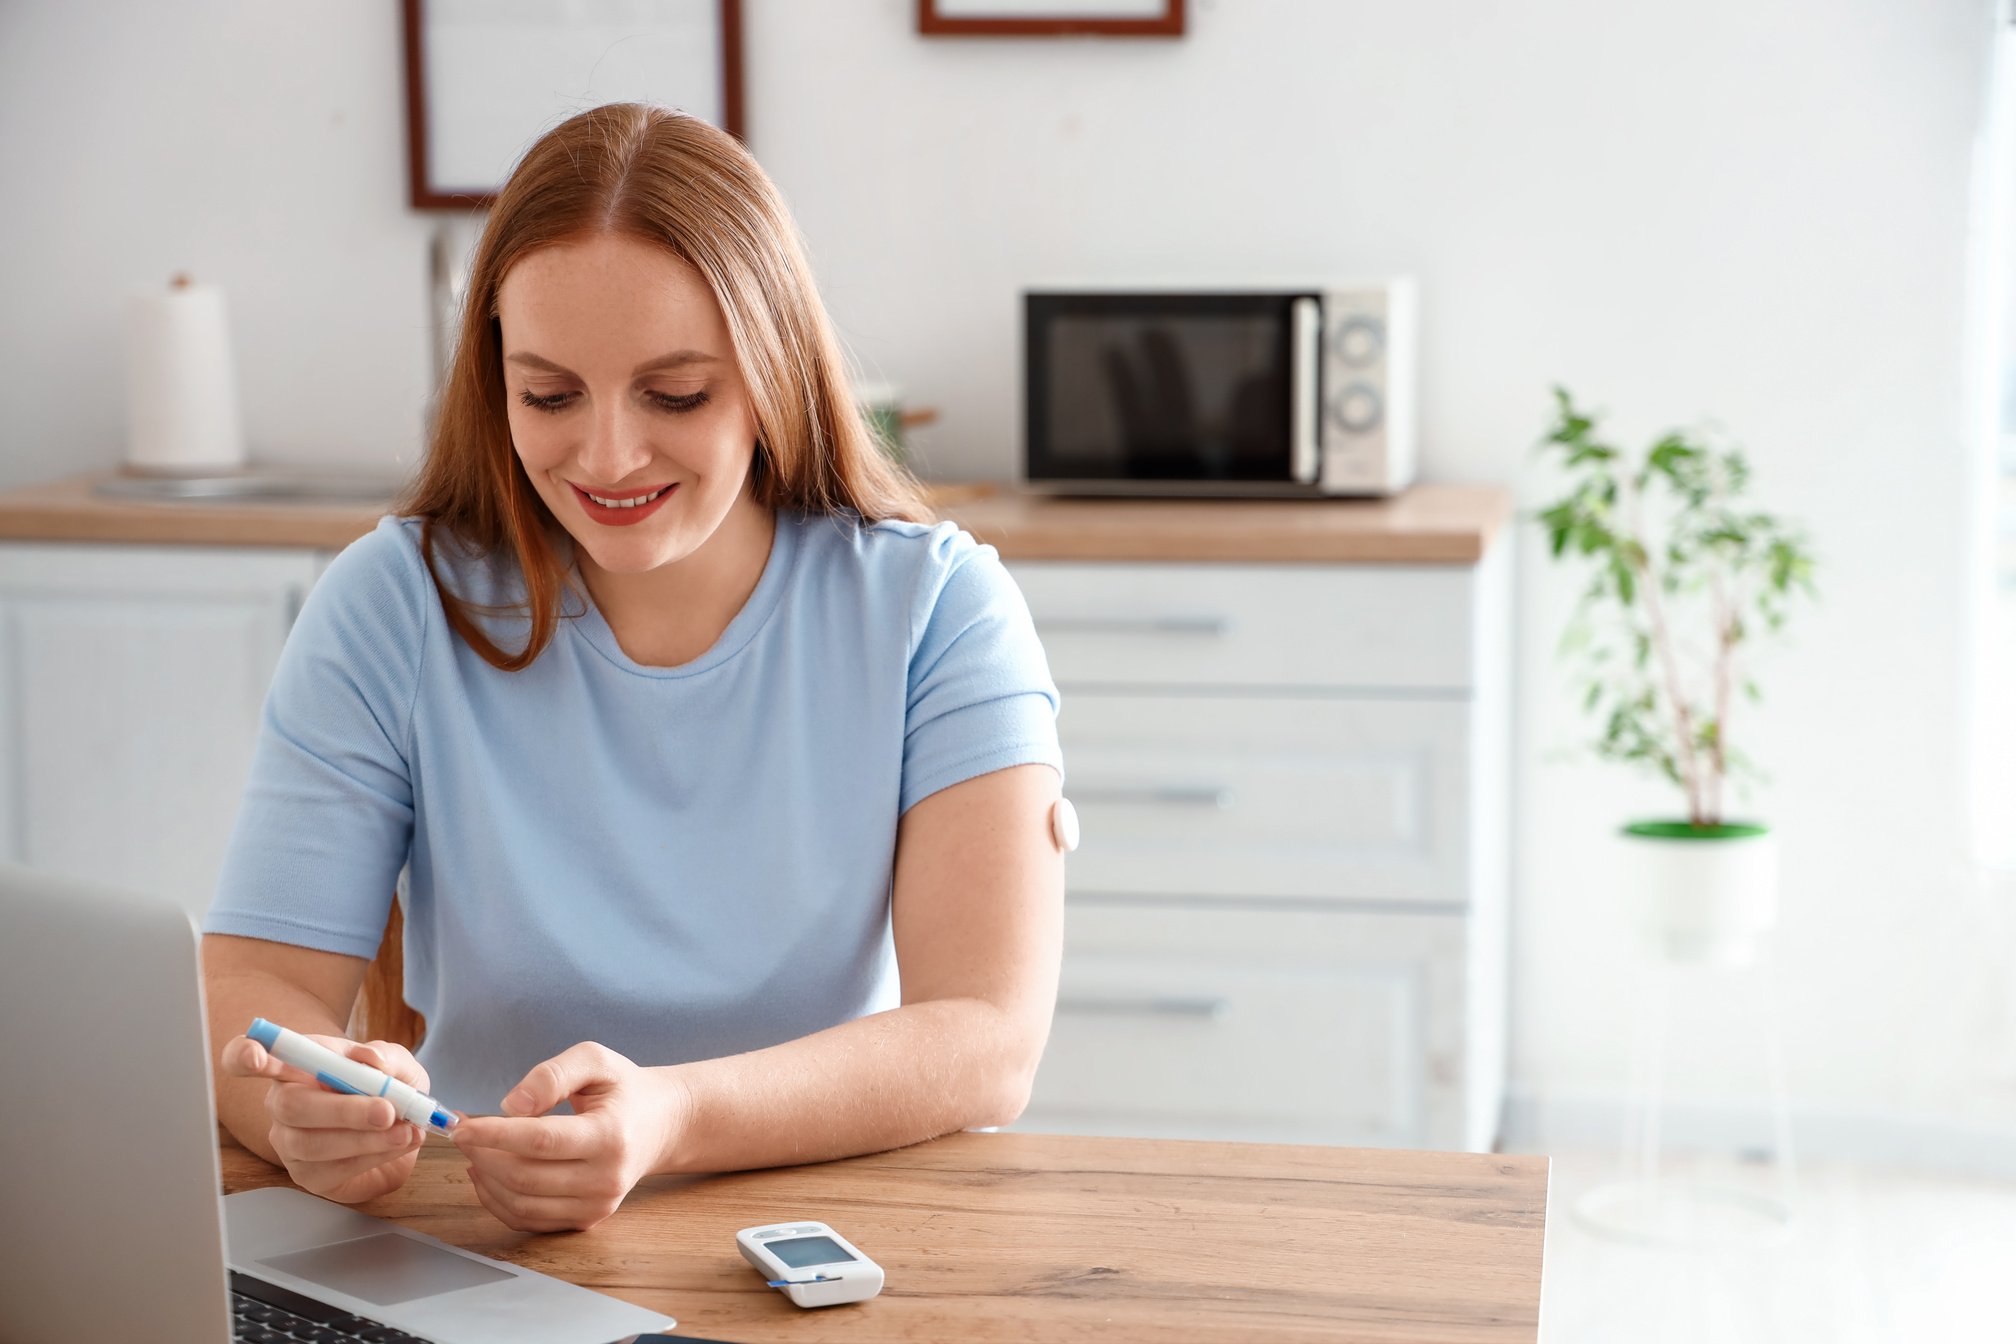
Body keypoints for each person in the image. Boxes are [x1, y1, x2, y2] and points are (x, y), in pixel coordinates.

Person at [200, 102, 1066, 1234]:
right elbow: (252, 996)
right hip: (491, 1242)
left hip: (824, 1239)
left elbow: (986, 1038)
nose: (607, 455)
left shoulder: (938, 608)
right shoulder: (392, 602)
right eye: (549, 396)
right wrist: (297, 1111)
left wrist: (673, 1118)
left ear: (771, 370)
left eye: (676, 394)